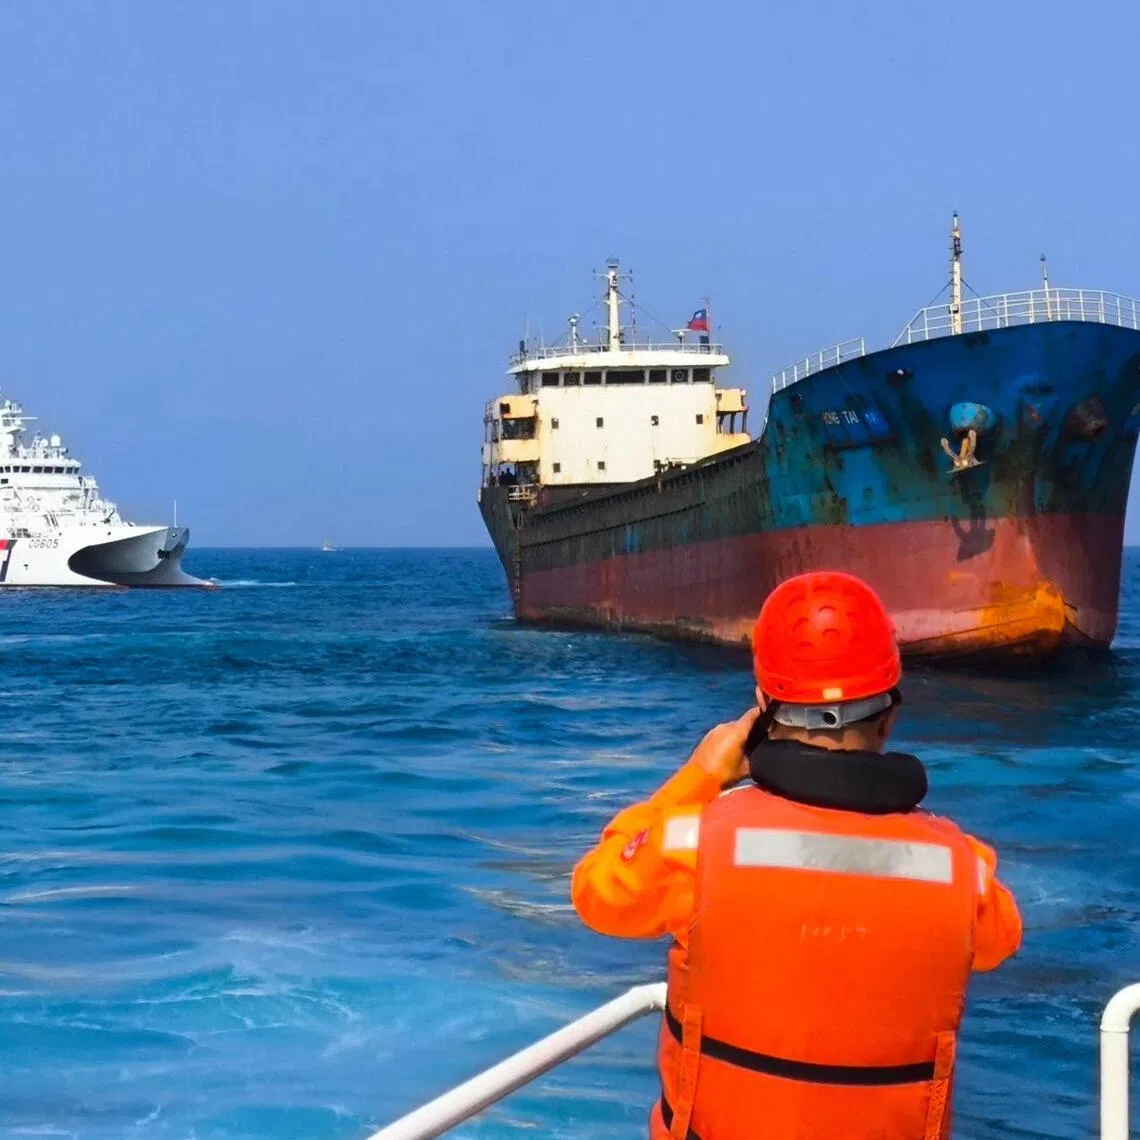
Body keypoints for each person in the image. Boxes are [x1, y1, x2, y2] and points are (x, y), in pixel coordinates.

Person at [571, 571, 1022, 1140]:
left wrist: (702, 775)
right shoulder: (966, 873)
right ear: (890, 715)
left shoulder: (694, 846)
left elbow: (597, 894)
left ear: (763, 711)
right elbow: (999, 941)